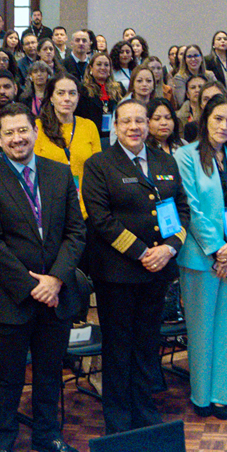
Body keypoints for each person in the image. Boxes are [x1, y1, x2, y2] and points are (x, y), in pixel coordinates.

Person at [0, 104, 87, 452]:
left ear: (35, 132)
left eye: (23, 130)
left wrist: (55, 280)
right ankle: (2, 443)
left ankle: (47, 435)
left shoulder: (59, 172)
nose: (18, 138)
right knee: (8, 375)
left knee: (51, 370)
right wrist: (32, 286)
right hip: (12, 297)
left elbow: (76, 233)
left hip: (58, 291)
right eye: (10, 133)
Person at [80, 99, 188, 434]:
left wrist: (170, 249)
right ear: (115, 126)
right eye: (126, 121)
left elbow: (181, 210)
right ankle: (118, 417)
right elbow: (101, 219)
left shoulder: (163, 160)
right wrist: (144, 253)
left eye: (140, 120)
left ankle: (145, 410)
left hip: (158, 272)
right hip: (118, 273)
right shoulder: (100, 164)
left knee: (146, 344)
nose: (134, 127)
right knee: (118, 346)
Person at [174, 97, 227, 420]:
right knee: (201, 327)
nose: (224, 126)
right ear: (205, 118)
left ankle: (223, 394)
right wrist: (217, 248)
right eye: (218, 119)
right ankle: (201, 395)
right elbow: (190, 206)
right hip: (200, 257)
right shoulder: (186, 156)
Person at [34, 76, 100, 180]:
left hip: (85, 193)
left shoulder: (89, 126)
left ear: (78, 97)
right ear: (51, 98)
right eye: (61, 93)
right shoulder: (38, 127)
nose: (67, 98)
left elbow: (98, 168)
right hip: (51, 193)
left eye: (72, 93)